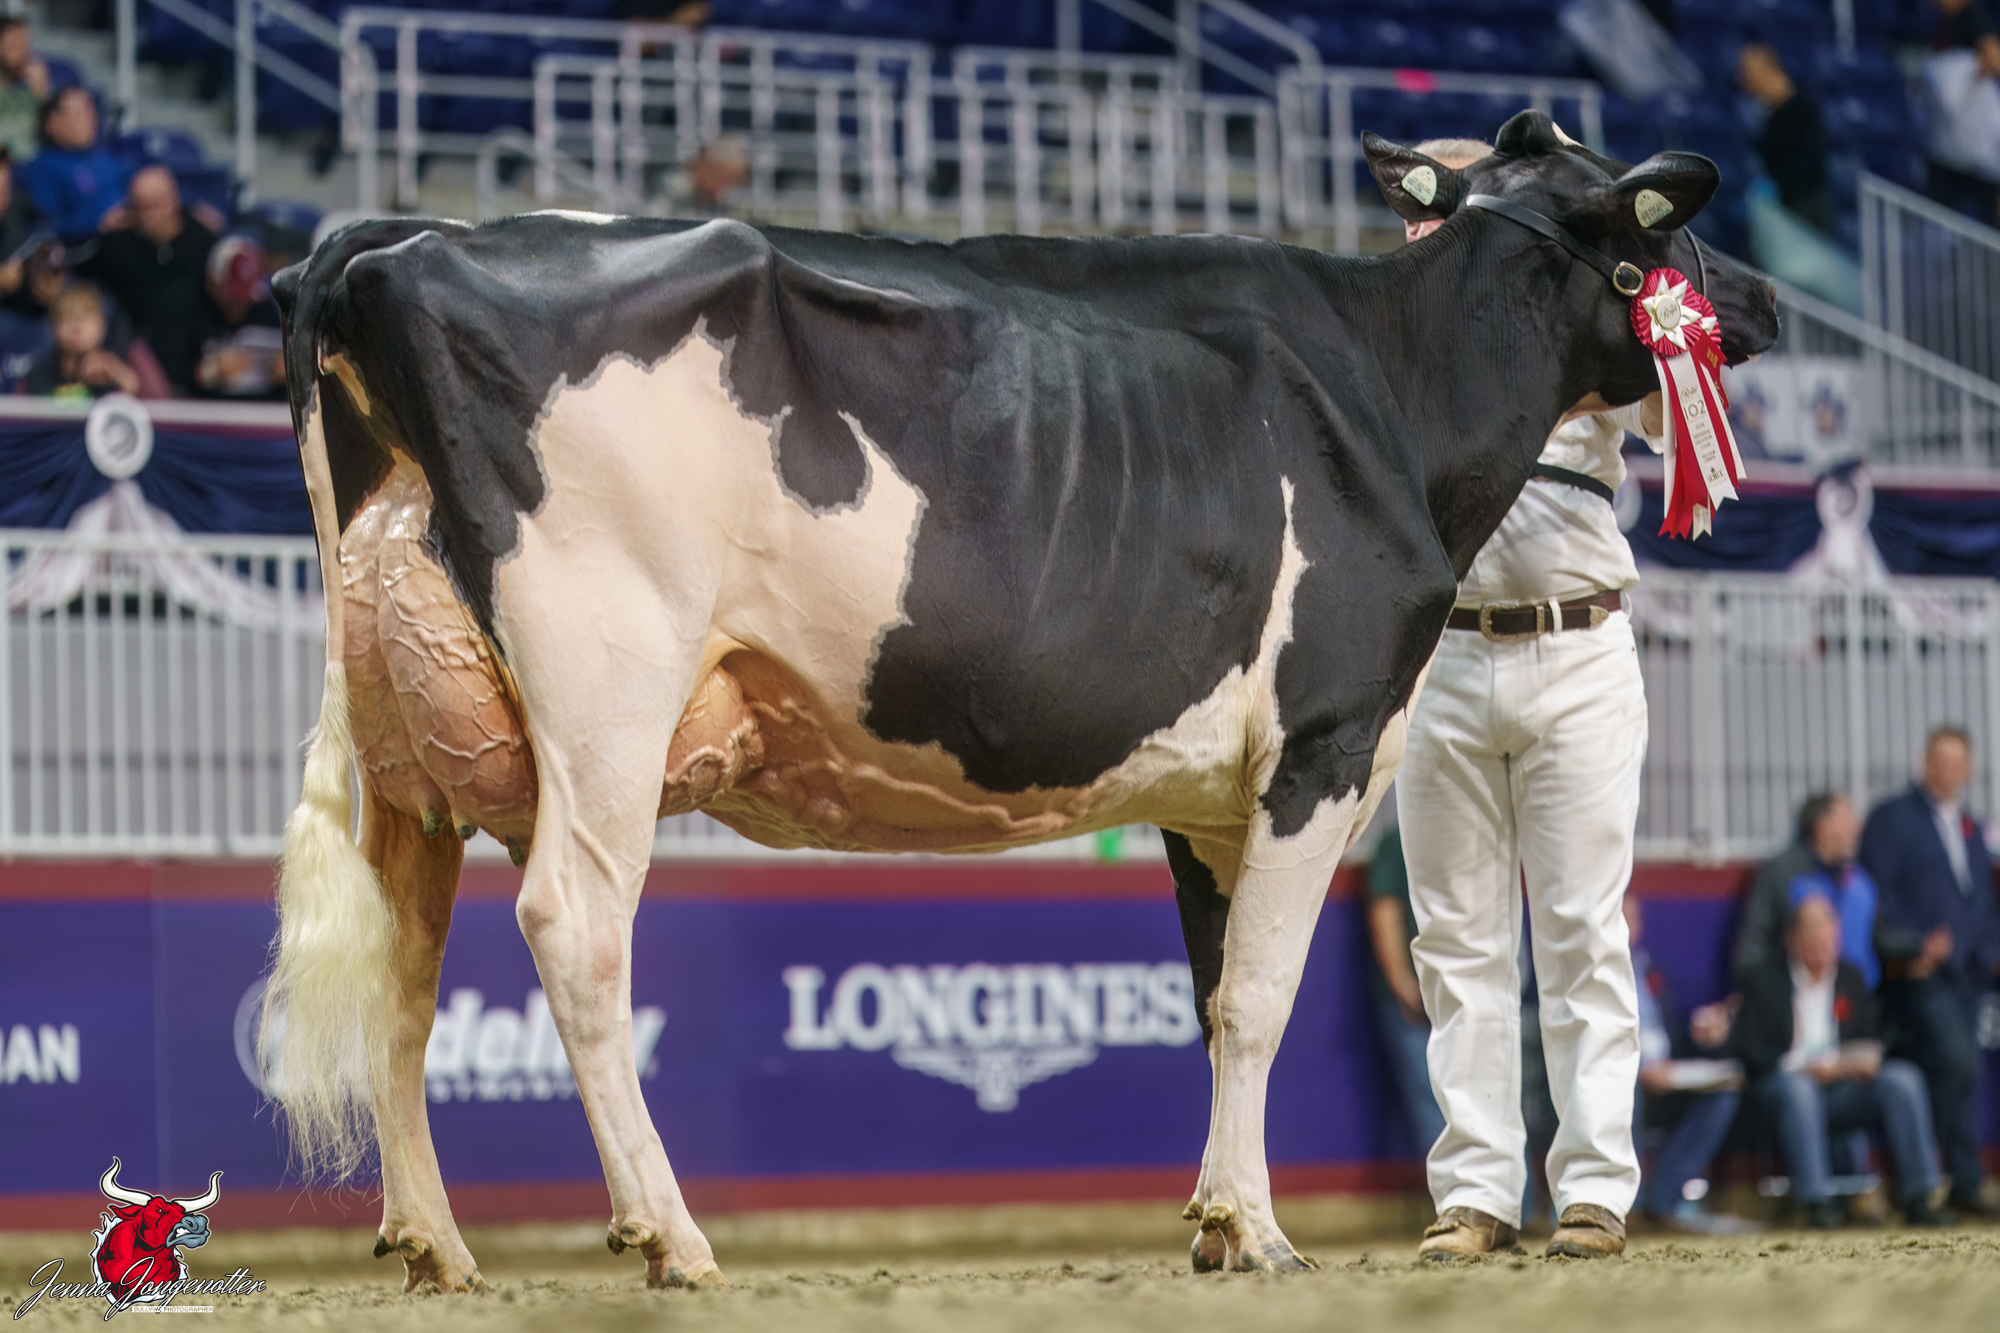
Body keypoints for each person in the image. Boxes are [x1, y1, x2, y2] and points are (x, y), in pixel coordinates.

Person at [1399, 138, 1666, 1262]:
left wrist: (1652, 291)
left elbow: (1673, 414)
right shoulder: (1399, 335)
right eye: (1425, 208)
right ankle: (1473, 1193)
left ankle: (1594, 1188)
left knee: (1578, 931)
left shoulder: (1583, 313)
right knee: (1455, 942)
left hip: (1578, 647)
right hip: (1444, 658)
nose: (1431, 224)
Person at [1735, 896, 1952, 1228]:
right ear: (1793, 940)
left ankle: (1919, 1196)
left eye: (1829, 941)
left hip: (1841, 1087)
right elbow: (1753, 1055)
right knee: (1799, 1089)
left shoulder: (1849, 977)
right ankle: (1816, 1202)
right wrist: (1805, 1068)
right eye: (1814, 941)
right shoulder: (1765, 981)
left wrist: (1860, 1060)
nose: (1823, 951)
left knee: (1902, 1079)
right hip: (1784, 1089)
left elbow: (1868, 1037)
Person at [1860, 726, 2000, 1216]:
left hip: (1968, 973)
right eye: (1940, 760)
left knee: (1964, 1072)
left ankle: (1959, 1183)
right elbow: (1877, 894)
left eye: (1958, 762)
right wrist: (1912, 945)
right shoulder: (1892, 818)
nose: (1948, 770)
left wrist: (1989, 951)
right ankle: (1939, 1181)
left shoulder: (1970, 824)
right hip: (1918, 973)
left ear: (1970, 769)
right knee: (1955, 1063)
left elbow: (1981, 898)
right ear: (1925, 762)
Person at [1627, 895, 1754, 1232]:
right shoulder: (1592, 976)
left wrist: (1700, 1035)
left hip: (1668, 1072)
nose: (1626, 928)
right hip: (1624, 1077)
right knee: (1626, 1089)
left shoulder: (1650, 971)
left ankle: (1663, 1200)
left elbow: (1669, 1033)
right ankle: (1629, 1207)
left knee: (1722, 1094)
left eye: (1631, 919)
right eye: (1618, 918)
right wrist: (1639, 1067)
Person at [82, 165, 221, 395]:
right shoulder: (117, 246)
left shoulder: (202, 239)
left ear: (175, 201)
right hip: (140, 365)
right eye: (139, 207)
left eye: (156, 204)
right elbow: (74, 268)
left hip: (198, 361)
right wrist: (100, 230)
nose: (147, 215)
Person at [1736, 792, 1879, 990]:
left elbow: (1878, 936)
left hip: (1859, 996)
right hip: (1797, 993)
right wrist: (1752, 991)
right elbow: (1755, 940)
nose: (1856, 829)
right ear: (1822, 827)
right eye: (1846, 822)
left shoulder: (1860, 880)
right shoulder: (1784, 873)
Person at [1367, 824, 1447, 1158]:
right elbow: (1385, 910)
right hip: (1417, 1006)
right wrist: (1404, 986)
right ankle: (1454, 1189)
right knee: (1435, 1114)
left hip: (1458, 998)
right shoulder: (1398, 840)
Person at [1737, 45, 1833, 236]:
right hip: (1784, 208)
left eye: (1748, 72)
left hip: (1805, 209)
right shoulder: (1772, 116)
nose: (1744, 79)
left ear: (1768, 70)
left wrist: (1776, 186)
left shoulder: (1804, 109)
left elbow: (1809, 161)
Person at [1925, 0, 2000, 224]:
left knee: (1987, 213)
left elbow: (1994, 59)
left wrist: (1977, 73)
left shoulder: (1972, 16)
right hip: (1947, 140)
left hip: (1975, 139)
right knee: (1935, 212)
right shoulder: (1942, 21)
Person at [21, 86, 127, 241]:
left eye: (91, 110)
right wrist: (99, 223)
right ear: (53, 123)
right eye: (79, 114)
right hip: (89, 246)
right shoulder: (43, 166)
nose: (91, 119)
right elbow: (46, 226)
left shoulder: (105, 155)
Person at [194, 234, 282, 398]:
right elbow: (176, 373)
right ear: (213, 282)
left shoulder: (264, 309)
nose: (239, 303)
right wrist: (212, 370)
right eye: (233, 297)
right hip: (205, 407)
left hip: (263, 406)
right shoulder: (192, 311)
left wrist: (284, 372)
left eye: (245, 296)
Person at [20, 282, 142, 398]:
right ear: (53, 327)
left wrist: (123, 379)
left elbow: (152, 403)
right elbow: (17, 409)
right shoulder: (37, 376)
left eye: (85, 318)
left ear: (102, 325)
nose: (77, 328)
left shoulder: (130, 360)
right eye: (68, 318)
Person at [0, 18, 48, 164]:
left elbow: (50, 136)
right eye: (14, 46)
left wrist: (41, 93)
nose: (23, 55)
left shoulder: (30, 93)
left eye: (25, 46)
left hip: (32, 166)